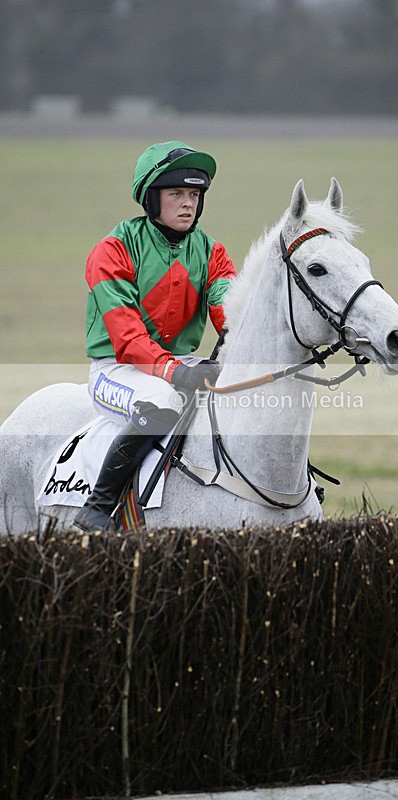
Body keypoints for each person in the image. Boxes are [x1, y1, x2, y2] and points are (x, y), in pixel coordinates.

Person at [73, 140, 237, 532]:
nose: (187, 204)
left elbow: (229, 306)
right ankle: (99, 505)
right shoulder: (112, 251)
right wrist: (177, 373)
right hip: (117, 370)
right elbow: (128, 340)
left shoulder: (212, 253)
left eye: (194, 194)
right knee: (164, 400)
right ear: (151, 198)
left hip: (179, 363)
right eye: (176, 193)